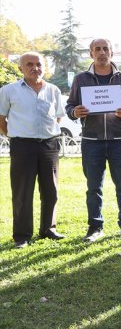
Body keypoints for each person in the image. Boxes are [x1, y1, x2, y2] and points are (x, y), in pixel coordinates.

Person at [66, 39, 121, 242]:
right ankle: (95, 227)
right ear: (91, 53)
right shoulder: (81, 79)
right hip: (92, 141)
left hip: (119, 140)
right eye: (97, 49)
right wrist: (75, 111)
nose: (101, 52)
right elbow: (70, 106)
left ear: (112, 53)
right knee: (94, 187)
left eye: (105, 48)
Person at [0, 52, 65, 248]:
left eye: (39, 64)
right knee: (22, 192)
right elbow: (1, 119)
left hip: (49, 145)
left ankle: (48, 229)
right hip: (22, 146)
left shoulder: (53, 90)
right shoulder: (8, 91)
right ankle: (22, 236)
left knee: (51, 190)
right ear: (21, 68)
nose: (35, 68)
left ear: (44, 68)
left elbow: (58, 117)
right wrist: (13, 135)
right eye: (29, 64)